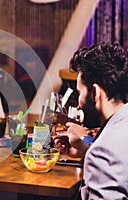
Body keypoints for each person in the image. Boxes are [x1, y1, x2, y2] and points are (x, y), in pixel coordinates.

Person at [55, 42, 128, 199]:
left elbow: (109, 155)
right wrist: (87, 151)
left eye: (80, 92)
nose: (79, 102)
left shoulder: (104, 152)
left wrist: (93, 154)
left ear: (95, 92)